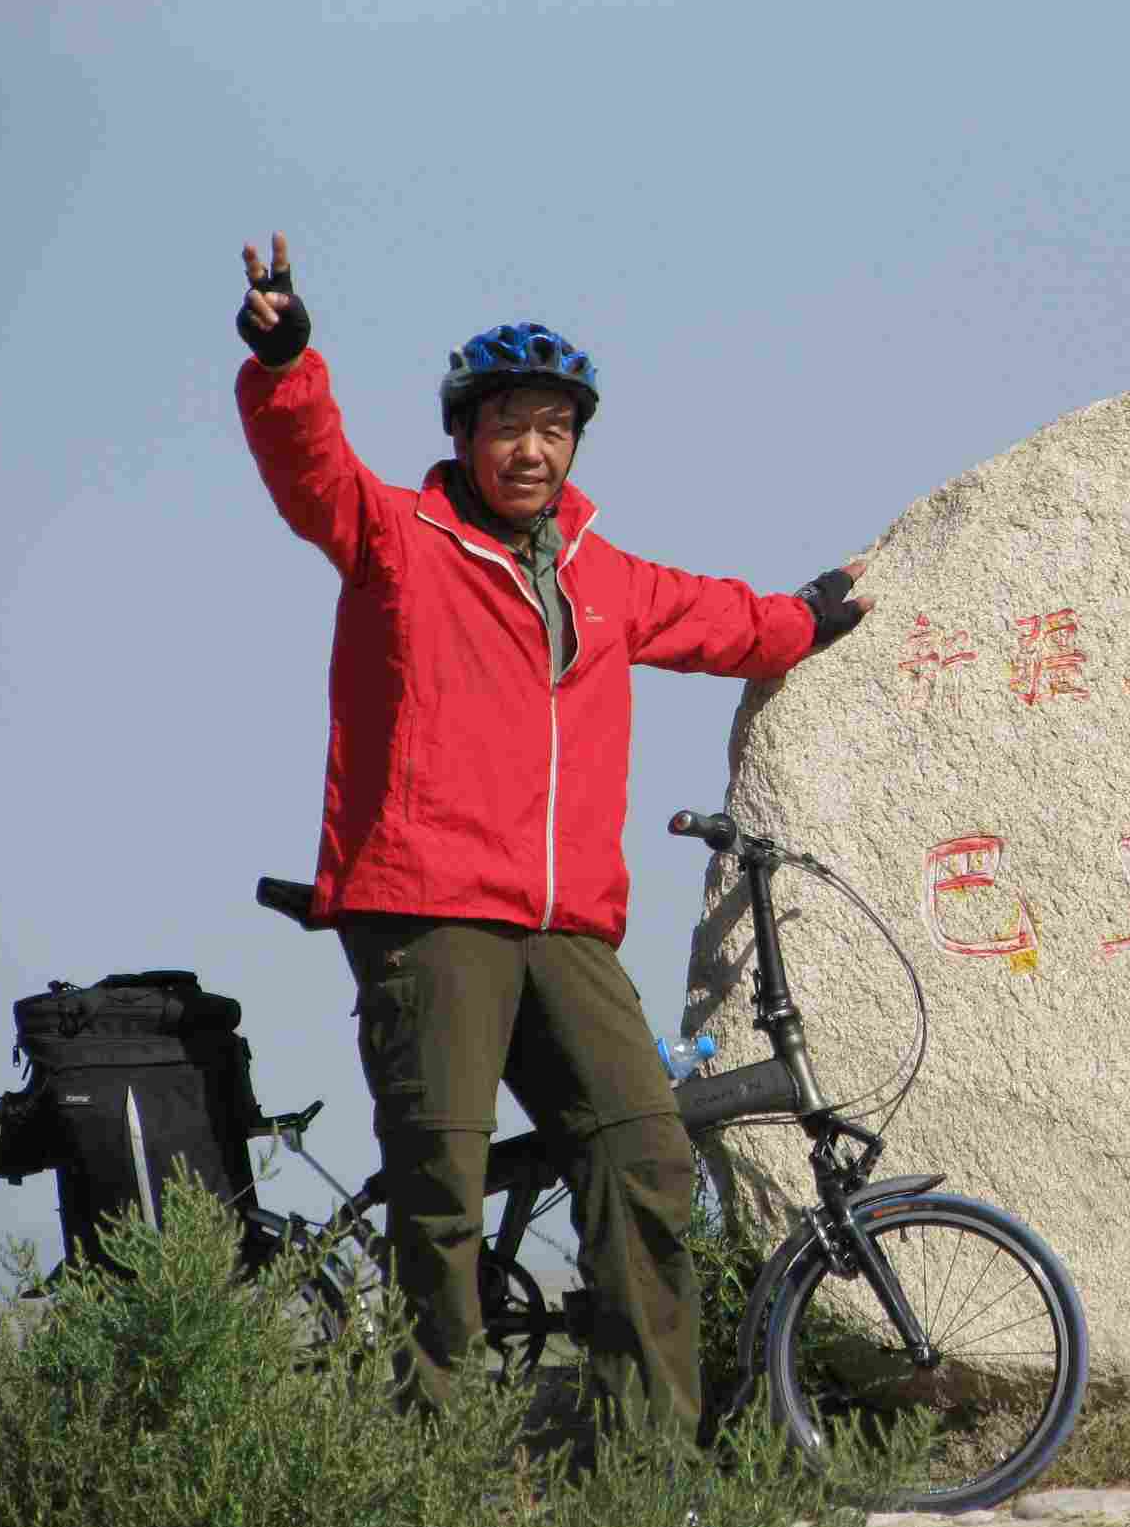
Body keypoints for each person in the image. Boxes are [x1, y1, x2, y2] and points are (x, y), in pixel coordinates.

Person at [233, 232, 871, 1438]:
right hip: (430, 913)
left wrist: (800, 619)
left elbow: (714, 617)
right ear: (466, 437)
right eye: (508, 424)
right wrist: (286, 365)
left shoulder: (600, 572)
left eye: (554, 427)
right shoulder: (395, 541)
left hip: (566, 922)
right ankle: (437, 1474)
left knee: (646, 1158)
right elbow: (307, 468)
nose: (532, 449)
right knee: (441, 1198)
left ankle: (644, 1478)